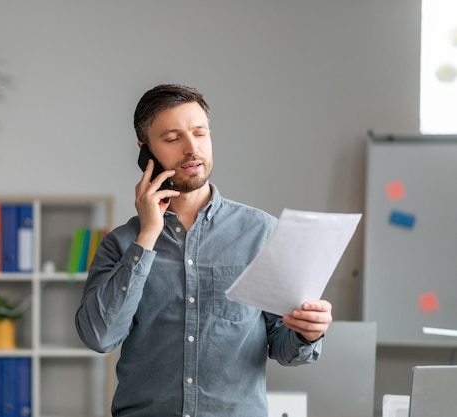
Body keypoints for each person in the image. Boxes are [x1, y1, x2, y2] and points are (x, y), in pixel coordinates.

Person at [75, 84, 332, 417]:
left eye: (200, 133)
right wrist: (149, 234)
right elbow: (99, 337)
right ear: (145, 151)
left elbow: (283, 346)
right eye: (172, 139)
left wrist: (307, 332)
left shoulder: (261, 232)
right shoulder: (123, 244)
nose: (192, 149)